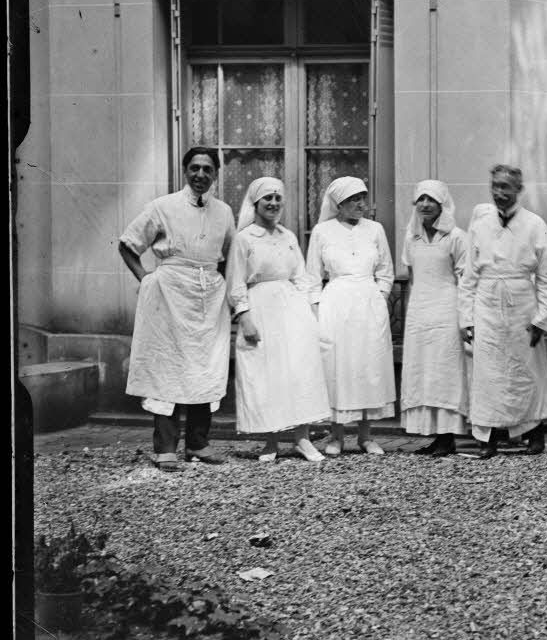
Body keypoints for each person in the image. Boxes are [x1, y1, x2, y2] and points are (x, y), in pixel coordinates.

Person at [119, 146, 237, 471]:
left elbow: (230, 255)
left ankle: (198, 444)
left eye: (207, 169)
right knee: (167, 368)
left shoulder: (225, 212)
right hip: (168, 296)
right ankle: (165, 447)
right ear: (185, 171)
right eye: (194, 168)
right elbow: (128, 244)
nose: (200, 175)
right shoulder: (163, 206)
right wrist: (147, 280)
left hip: (208, 300)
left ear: (216, 174)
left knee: (204, 367)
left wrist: (221, 288)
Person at [225, 177, 329, 463]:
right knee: (265, 373)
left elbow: (301, 276)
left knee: (299, 371)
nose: (273, 203)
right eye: (267, 199)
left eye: (277, 198)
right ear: (255, 203)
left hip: (292, 309)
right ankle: (270, 440)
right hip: (260, 308)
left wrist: (310, 313)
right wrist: (244, 318)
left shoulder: (288, 236)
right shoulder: (244, 238)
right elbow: (235, 283)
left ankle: (302, 438)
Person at [459, 165, 547, 458]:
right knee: (488, 373)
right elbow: (467, 279)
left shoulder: (534, 224)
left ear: (519, 189)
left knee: (526, 371)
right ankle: (486, 438)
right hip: (486, 306)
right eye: (495, 186)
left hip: (522, 306)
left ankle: (533, 434)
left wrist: (542, 319)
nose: (500, 193)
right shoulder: (479, 224)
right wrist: (466, 319)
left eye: (506, 187)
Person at [306, 177, 395, 456]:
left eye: (363, 197)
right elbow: (312, 277)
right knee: (338, 367)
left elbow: (386, 271)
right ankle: (336, 436)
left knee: (369, 365)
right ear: (338, 204)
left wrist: (379, 296)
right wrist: (317, 309)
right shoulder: (322, 231)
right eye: (353, 199)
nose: (361, 204)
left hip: (369, 304)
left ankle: (366, 436)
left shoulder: (375, 229)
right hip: (336, 304)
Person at [400, 180, 470, 457]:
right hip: (420, 308)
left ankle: (447, 435)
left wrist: (465, 318)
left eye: (431, 200)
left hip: (446, 307)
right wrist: (411, 311)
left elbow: (465, 278)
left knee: (444, 372)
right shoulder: (411, 238)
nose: (425, 205)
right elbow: (413, 275)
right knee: (423, 371)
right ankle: (432, 434)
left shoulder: (456, 237)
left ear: (442, 204)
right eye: (421, 199)